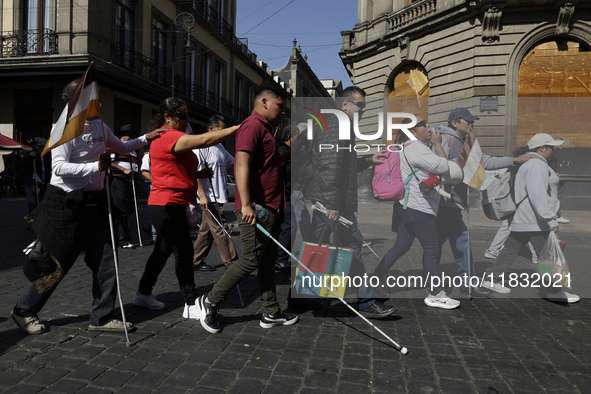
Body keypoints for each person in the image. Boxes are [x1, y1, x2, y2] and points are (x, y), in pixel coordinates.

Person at [10, 77, 160, 335]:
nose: (100, 101)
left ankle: (101, 317)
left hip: (96, 205)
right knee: (57, 263)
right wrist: (95, 166)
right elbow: (58, 167)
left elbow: (122, 146)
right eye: (95, 96)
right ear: (79, 101)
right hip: (66, 205)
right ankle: (23, 311)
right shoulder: (64, 127)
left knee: (106, 260)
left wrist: (147, 137)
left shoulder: (100, 126)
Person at [195, 83, 299, 333]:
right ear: (264, 102)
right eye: (280, 106)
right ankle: (210, 301)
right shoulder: (252, 126)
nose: (282, 111)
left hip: (271, 206)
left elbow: (268, 165)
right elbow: (241, 164)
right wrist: (246, 205)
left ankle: (271, 311)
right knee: (252, 258)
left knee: (267, 260)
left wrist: (292, 149)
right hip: (257, 209)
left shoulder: (266, 129)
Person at [133, 99, 239, 314]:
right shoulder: (168, 136)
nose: (187, 120)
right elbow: (205, 139)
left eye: (187, 116)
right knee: (183, 250)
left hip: (172, 203)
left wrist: (197, 174)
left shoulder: (169, 137)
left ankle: (142, 294)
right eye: (183, 116)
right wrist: (239, 127)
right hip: (166, 204)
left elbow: (172, 169)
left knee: (161, 252)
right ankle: (190, 303)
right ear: (168, 117)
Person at [305, 86, 397, 319]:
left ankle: (301, 298)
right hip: (335, 202)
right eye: (360, 104)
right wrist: (333, 204)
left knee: (317, 246)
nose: (364, 109)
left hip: (328, 199)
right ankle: (366, 300)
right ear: (345, 104)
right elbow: (330, 166)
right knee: (353, 245)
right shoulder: (337, 125)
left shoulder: (335, 124)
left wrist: (368, 159)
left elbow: (342, 163)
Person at [433, 107, 535, 296]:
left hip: (450, 200)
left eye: (472, 121)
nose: (471, 124)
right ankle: (468, 282)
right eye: (467, 121)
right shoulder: (446, 139)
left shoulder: (465, 140)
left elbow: (484, 162)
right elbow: (437, 165)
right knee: (462, 240)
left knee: (434, 243)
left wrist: (513, 160)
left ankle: (429, 277)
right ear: (454, 123)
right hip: (446, 200)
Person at [371, 116, 461, 309]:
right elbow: (443, 166)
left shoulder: (405, 147)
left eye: (428, 124)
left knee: (401, 246)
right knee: (432, 248)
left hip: (406, 206)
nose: (429, 128)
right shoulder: (417, 147)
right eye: (424, 126)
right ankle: (435, 293)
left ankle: (373, 281)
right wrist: (438, 144)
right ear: (413, 132)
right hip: (419, 207)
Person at [481, 133, 579, 303]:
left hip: (524, 218)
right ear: (542, 148)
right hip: (535, 220)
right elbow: (537, 195)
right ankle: (555, 292)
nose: (554, 151)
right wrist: (550, 219)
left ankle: (492, 280)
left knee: (509, 250)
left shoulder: (532, 164)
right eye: (551, 148)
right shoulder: (536, 165)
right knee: (548, 256)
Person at [192, 115, 238, 272]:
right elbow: (194, 173)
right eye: (222, 129)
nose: (224, 133)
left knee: (205, 231)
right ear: (211, 130)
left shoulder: (220, 147)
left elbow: (234, 162)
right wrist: (202, 195)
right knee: (220, 228)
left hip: (219, 196)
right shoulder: (200, 147)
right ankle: (232, 262)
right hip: (209, 197)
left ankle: (195, 260)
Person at [109, 124, 139, 249]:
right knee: (122, 210)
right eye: (130, 136)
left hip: (130, 182)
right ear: (122, 136)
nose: (132, 138)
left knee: (130, 208)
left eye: (133, 136)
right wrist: (123, 169)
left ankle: (116, 234)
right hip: (118, 181)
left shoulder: (132, 150)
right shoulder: (115, 147)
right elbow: (108, 162)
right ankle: (124, 240)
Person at [274, 125, 293, 273]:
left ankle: (280, 257)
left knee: (287, 226)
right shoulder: (282, 151)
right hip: (284, 194)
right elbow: (278, 175)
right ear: (289, 138)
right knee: (287, 226)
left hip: (290, 193)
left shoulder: (290, 152)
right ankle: (280, 259)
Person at [17, 139, 52, 218]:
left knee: (42, 202)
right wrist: (29, 156)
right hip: (32, 183)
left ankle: (40, 220)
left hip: (43, 183)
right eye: (40, 147)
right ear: (36, 146)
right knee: (33, 202)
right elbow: (19, 164)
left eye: (43, 147)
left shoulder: (48, 155)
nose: (41, 149)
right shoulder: (30, 154)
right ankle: (31, 219)